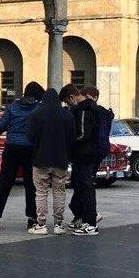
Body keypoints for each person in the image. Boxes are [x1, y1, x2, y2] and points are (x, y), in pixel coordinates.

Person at [0, 81, 43, 231]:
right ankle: (32, 218)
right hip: (30, 149)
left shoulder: (12, 107)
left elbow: (0, 126)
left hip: (12, 148)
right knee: (30, 185)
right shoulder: (38, 108)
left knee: (5, 184)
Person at [26, 88, 75, 236]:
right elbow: (72, 138)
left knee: (41, 192)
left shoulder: (36, 115)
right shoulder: (67, 115)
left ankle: (41, 224)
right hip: (61, 160)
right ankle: (58, 224)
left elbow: (30, 137)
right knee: (59, 191)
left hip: (40, 159)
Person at [65, 85, 102, 235]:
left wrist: (69, 142)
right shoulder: (90, 108)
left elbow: (82, 134)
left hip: (84, 154)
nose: (68, 105)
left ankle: (90, 223)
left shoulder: (83, 110)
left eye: (67, 102)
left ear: (72, 97)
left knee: (86, 188)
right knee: (82, 187)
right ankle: (85, 219)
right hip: (87, 154)